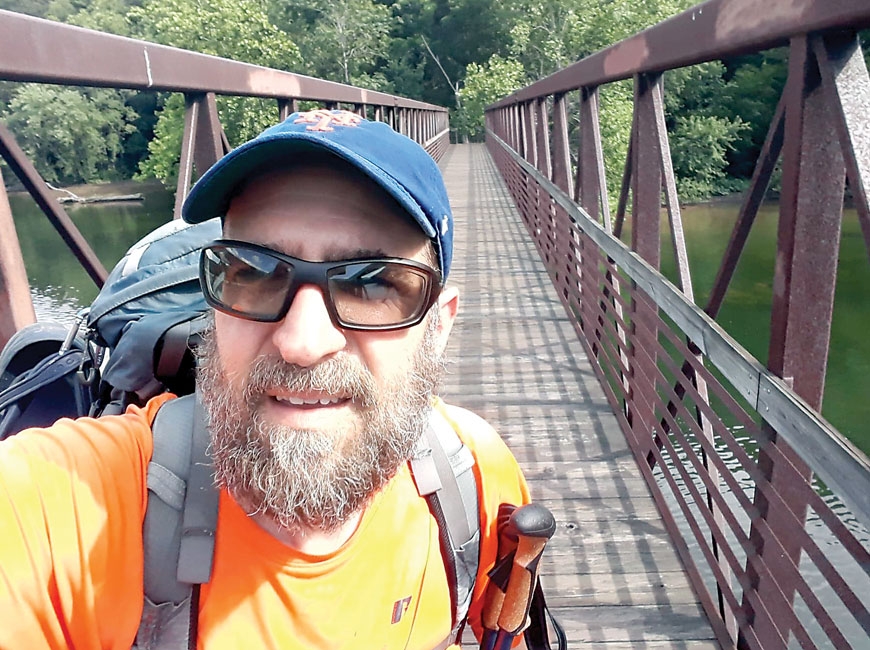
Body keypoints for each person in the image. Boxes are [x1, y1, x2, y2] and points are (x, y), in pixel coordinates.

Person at [0, 109, 529, 649]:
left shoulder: (475, 480)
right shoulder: (65, 506)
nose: (302, 342)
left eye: (370, 285)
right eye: (253, 272)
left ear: (438, 326)